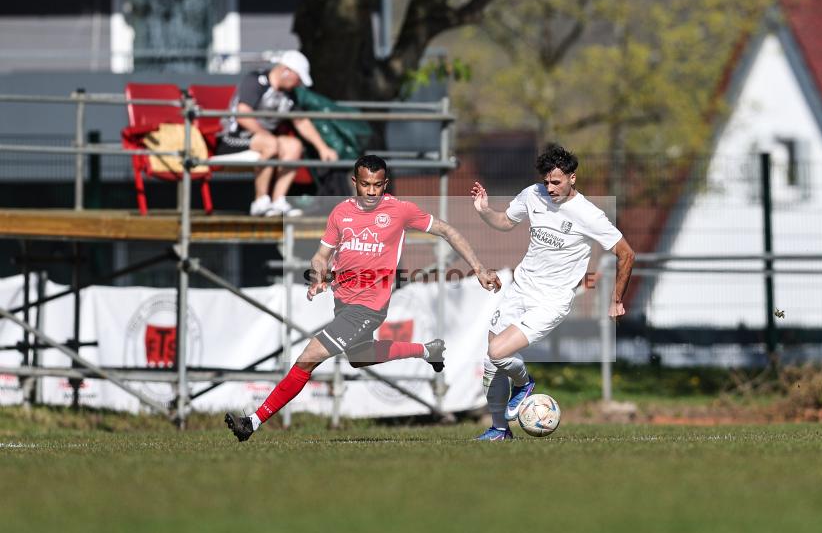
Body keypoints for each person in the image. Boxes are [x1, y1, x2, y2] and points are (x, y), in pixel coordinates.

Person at [226, 154, 502, 441]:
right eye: (366, 185)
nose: (372, 191)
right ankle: (427, 350)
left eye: (378, 185)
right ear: (354, 182)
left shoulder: (400, 210)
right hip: (343, 302)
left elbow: (446, 230)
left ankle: (253, 421)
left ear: (386, 184)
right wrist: (317, 276)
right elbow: (321, 256)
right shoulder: (340, 213)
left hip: (369, 306)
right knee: (360, 357)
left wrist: (479, 268)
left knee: (308, 357)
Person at [469, 143, 635, 441]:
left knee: (498, 352)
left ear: (573, 177)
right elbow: (506, 222)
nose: (549, 187)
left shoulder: (589, 214)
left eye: (556, 181)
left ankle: (524, 384)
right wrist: (484, 211)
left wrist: (616, 299)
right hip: (520, 289)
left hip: (551, 301)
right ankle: (499, 430)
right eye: (546, 181)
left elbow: (626, 254)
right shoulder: (533, 194)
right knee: (490, 361)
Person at [216, 50, 338, 217]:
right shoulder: (256, 81)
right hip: (232, 139)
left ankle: (277, 201)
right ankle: (260, 201)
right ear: (286, 71)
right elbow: (243, 114)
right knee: (271, 144)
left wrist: (322, 147)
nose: (299, 84)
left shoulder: (289, 95)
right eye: (298, 78)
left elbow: (300, 121)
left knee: (294, 146)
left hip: (263, 140)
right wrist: (266, 136)